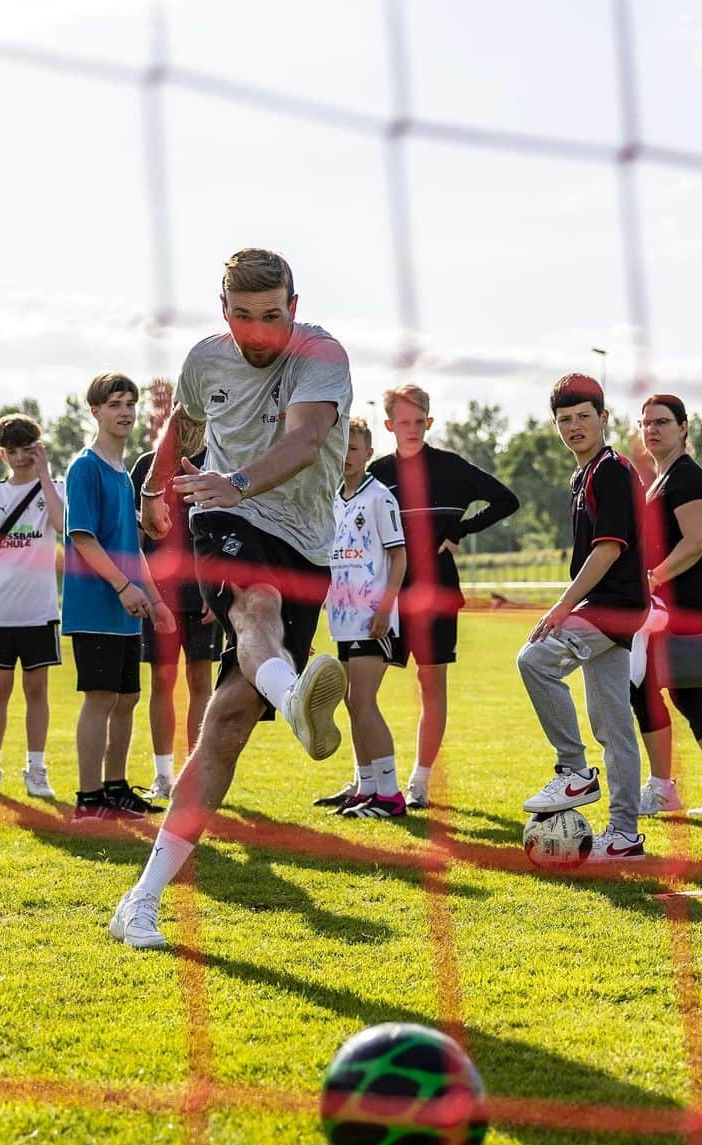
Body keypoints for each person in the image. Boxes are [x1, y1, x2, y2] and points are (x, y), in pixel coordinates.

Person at [109, 247, 352, 949]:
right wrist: (157, 490)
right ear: (224, 312)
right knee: (254, 603)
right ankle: (296, 696)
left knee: (225, 723)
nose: (258, 333)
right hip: (223, 513)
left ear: (294, 309)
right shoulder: (205, 359)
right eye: (243, 317)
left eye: (271, 316)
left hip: (302, 538)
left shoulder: (321, 356)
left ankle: (140, 899)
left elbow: (307, 440)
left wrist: (240, 480)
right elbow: (182, 426)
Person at [517, 373, 648, 862]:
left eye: (582, 417)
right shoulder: (585, 474)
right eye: (564, 419)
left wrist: (561, 606)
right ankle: (624, 836)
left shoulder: (611, 470)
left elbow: (609, 549)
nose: (574, 427)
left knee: (534, 660)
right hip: (615, 608)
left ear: (604, 419)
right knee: (615, 723)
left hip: (612, 607)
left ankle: (572, 771)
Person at [369, 384, 518, 807]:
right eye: (403, 422)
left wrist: (460, 530)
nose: (412, 429)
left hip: (437, 595)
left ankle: (420, 780)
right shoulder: (376, 474)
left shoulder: (452, 468)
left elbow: (507, 500)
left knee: (430, 686)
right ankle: (372, 779)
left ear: (429, 422)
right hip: (387, 598)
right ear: (388, 425)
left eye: (419, 422)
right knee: (362, 689)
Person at [62, 373, 175, 822]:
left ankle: (115, 788)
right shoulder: (85, 468)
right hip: (96, 606)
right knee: (100, 697)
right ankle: (88, 799)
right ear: (95, 411)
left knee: (126, 698)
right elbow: (83, 540)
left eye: (130, 403)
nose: (124, 411)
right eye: (114, 404)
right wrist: (123, 587)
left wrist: (156, 599)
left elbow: (132, 547)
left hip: (128, 608)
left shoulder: (125, 477)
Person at [0, 413, 65, 799]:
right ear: (2, 454)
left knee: (37, 690)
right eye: (15, 451)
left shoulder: (52, 488)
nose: (23, 457)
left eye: (30, 449)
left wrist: (45, 474)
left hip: (39, 611)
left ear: (39, 448)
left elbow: (62, 523)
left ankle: (36, 769)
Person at [314, 417, 407, 818]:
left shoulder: (380, 497)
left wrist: (385, 608)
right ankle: (366, 788)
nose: (347, 456)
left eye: (354, 448)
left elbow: (399, 556)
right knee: (353, 704)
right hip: (344, 618)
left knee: (364, 702)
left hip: (373, 617)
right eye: (341, 448)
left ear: (369, 453)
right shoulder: (333, 498)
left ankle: (390, 794)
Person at [130, 437, 222, 800]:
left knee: (201, 681)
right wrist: (151, 594)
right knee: (162, 682)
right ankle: (163, 776)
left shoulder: (218, 461)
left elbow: (226, 533)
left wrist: (217, 589)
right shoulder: (147, 465)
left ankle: (195, 776)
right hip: (160, 598)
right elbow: (134, 537)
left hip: (203, 596)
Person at [629, 394, 702, 814]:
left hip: (687, 612)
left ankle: (660, 787)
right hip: (667, 614)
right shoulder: (660, 478)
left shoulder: (687, 477)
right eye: (646, 423)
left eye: (662, 422)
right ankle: (662, 786)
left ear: (683, 428)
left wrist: (654, 578)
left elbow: (696, 541)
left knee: (643, 688)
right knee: (690, 699)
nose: (652, 429)